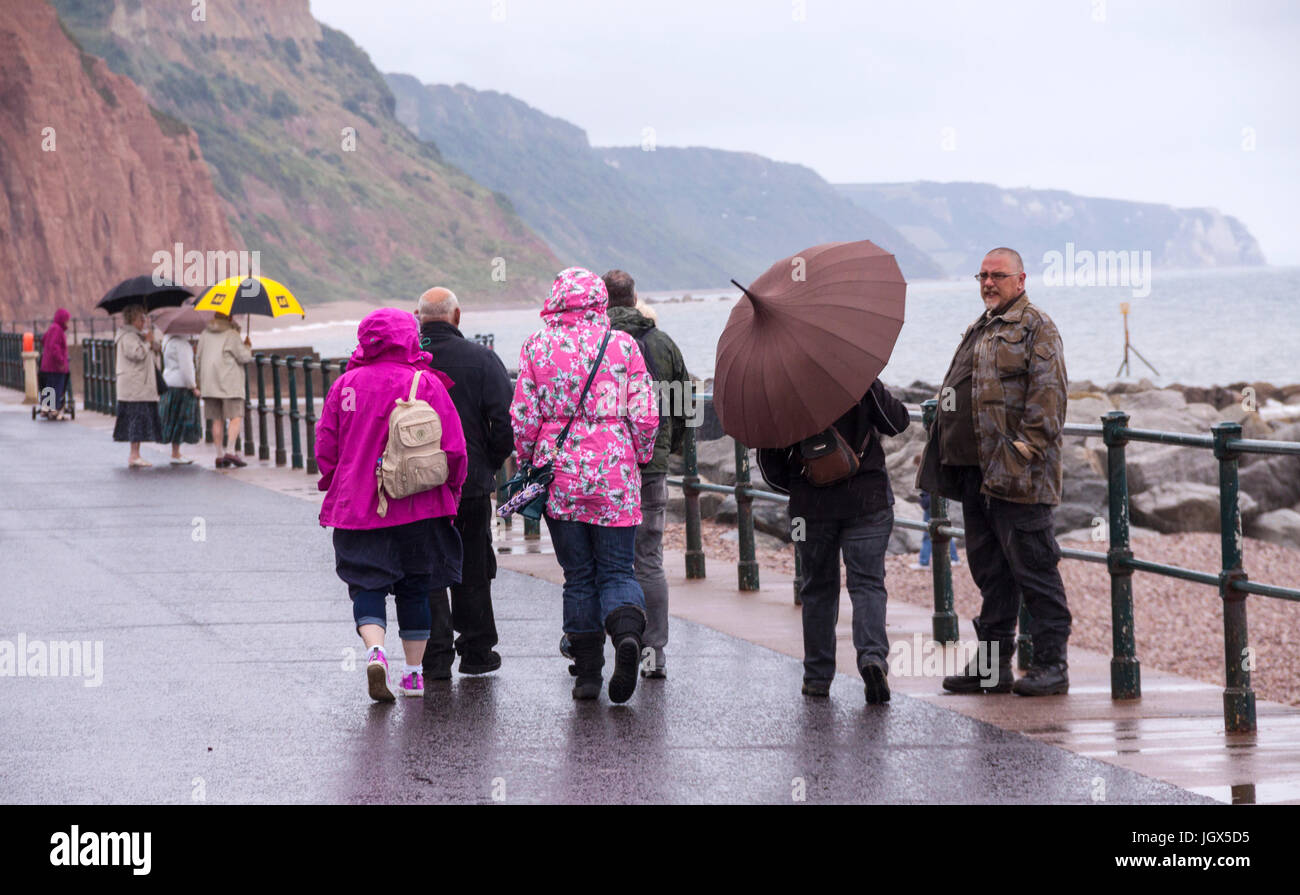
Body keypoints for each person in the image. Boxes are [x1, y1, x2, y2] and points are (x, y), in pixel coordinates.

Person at [915, 247, 1072, 697]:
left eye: (997, 276)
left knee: (1036, 569)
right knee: (991, 573)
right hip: (976, 475)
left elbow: (1049, 401)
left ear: (1020, 280)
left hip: (1020, 479)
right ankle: (992, 668)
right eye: (982, 275)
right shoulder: (981, 328)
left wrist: (1019, 454)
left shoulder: (1037, 328)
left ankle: (1051, 666)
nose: (988, 283)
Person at [510, 267, 659, 704]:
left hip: (560, 477)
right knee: (617, 570)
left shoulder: (537, 346)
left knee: (578, 576)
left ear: (555, 299)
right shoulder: (623, 344)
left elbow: (523, 417)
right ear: (600, 301)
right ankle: (628, 637)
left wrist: (529, 460)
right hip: (615, 475)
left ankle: (588, 676)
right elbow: (646, 414)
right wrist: (638, 455)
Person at [316, 309, 468, 702]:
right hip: (421, 506)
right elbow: (454, 447)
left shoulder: (345, 386)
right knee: (416, 587)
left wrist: (339, 481)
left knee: (366, 584)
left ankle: (375, 650)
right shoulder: (426, 382)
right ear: (409, 337)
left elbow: (326, 449)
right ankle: (414, 675)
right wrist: (453, 488)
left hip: (360, 508)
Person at [758, 379, 911, 704]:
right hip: (867, 499)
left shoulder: (779, 390)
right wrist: (869, 383)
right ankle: (872, 658)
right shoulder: (851, 373)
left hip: (810, 510)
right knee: (868, 584)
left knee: (817, 589)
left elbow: (770, 469)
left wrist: (803, 484)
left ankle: (816, 677)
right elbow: (898, 421)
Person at [417, 287, 514, 679]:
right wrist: (490, 462)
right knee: (473, 562)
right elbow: (506, 422)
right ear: (457, 316)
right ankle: (476, 650)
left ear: (419, 316)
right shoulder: (483, 359)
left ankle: (435, 656)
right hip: (470, 482)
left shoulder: (409, 362)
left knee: (427, 566)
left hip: (418, 485)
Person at [603, 269, 692, 679]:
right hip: (652, 470)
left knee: (602, 562)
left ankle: (601, 649)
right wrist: (666, 448)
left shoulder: (596, 344)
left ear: (602, 301)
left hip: (602, 467)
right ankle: (654, 651)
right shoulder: (663, 344)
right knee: (649, 560)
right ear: (634, 297)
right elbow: (686, 409)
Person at [196, 312, 252, 469]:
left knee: (216, 419)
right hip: (229, 384)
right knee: (235, 416)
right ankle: (231, 450)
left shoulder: (205, 334)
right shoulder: (231, 334)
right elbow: (244, 357)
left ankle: (219, 454)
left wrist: (200, 382)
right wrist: (247, 346)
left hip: (209, 383)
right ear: (229, 317)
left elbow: (198, 358)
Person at [113, 305, 164, 468]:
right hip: (134, 387)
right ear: (133, 319)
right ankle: (134, 455)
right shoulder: (127, 336)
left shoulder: (135, 335)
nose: (144, 321)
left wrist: (152, 342)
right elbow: (137, 354)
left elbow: (152, 350)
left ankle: (136, 454)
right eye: (141, 319)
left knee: (139, 419)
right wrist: (147, 343)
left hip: (138, 386)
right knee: (136, 420)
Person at [159, 332, 201, 465]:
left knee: (172, 419)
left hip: (169, 383)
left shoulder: (168, 341)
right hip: (181, 386)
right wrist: (193, 386)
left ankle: (175, 452)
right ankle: (176, 453)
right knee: (180, 420)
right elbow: (187, 369)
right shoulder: (182, 344)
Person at [38, 308, 71, 420]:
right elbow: (54, 347)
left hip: (47, 365)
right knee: (57, 387)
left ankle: (46, 408)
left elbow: (44, 340)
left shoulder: (52, 328)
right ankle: (53, 410)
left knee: (49, 387)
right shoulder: (57, 330)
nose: (68, 322)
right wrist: (61, 361)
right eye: (67, 320)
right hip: (56, 366)